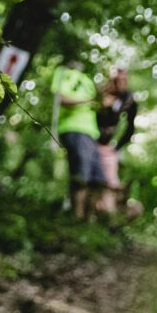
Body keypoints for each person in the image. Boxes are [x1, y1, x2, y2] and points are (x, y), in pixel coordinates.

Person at [48, 59, 108, 220]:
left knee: (99, 179)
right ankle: (77, 217)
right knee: (81, 175)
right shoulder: (64, 74)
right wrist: (89, 99)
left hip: (92, 133)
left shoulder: (88, 81)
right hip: (73, 129)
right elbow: (61, 99)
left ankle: (89, 221)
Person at [95, 68, 140, 221]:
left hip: (110, 146)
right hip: (91, 139)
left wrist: (117, 146)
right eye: (117, 80)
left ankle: (110, 214)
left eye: (124, 81)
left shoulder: (128, 98)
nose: (121, 84)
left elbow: (130, 127)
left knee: (111, 177)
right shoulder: (101, 93)